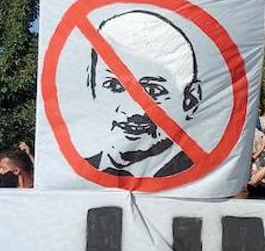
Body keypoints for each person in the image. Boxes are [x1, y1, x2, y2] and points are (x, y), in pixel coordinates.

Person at [80, 10, 204, 179]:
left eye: (152, 90)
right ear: (92, 86)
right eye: (114, 86)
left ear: (190, 100)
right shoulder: (74, 178)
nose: (133, 108)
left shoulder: (205, 181)